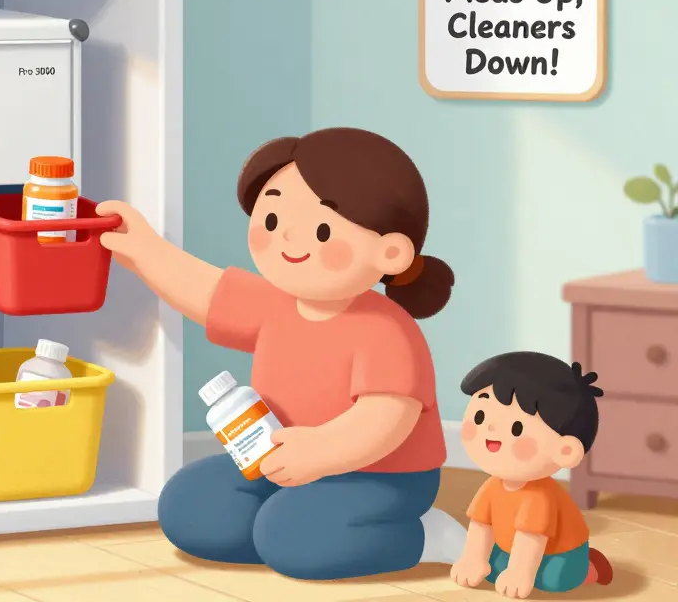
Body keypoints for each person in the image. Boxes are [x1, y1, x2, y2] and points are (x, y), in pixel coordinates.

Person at [97, 127, 466, 580]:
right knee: (189, 505)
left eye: (323, 230)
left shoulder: (386, 329)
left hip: (382, 476)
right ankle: (297, 524)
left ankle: (424, 534)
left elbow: (386, 419)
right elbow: (204, 290)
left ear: (389, 252)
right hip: (282, 461)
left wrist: (323, 451)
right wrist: (144, 249)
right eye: (271, 220)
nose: (286, 239)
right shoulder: (277, 302)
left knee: (292, 538)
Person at [451, 352, 614, 598]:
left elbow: (532, 537)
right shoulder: (492, 486)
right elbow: (481, 525)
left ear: (566, 450)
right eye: (480, 416)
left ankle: (589, 566)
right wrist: (473, 560)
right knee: (494, 571)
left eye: (517, 428)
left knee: (553, 580)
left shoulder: (539, 496)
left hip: (561, 551)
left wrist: (519, 572)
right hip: (511, 545)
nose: (490, 429)